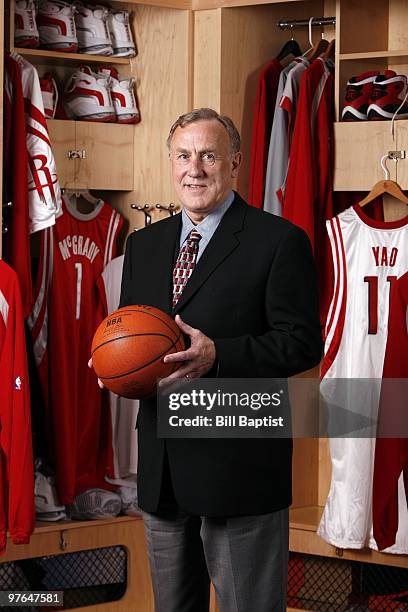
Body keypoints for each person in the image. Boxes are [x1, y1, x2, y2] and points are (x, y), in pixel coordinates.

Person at [98, 108, 322, 611]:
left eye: (208, 155)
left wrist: (220, 356)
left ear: (234, 163)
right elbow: (132, 339)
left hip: (239, 467)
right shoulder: (144, 245)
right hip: (164, 470)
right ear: (170, 162)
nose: (193, 168)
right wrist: (114, 370)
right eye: (183, 155)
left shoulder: (279, 241)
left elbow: (304, 343)